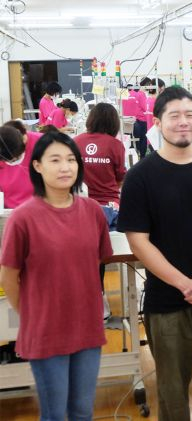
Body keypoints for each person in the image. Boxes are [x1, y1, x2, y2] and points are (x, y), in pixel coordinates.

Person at [117, 86, 192, 421]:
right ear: (158, 122)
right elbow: (138, 241)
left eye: (190, 115)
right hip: (166, 301)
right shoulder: (140, 177)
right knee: (172, 393)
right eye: (174, 116)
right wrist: (185, 284)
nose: (183, 122)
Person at [0, 131, 112, 420]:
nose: (65, 167)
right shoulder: (23, 218)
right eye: (55, 160)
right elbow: (9, 276)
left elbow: (95, 260)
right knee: (54, 415)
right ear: (37, 165)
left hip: (87, 326)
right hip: (46, 330)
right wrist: (31, 314)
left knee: (83, 412)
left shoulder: (92, 211)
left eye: (71, 160)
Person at [0, 123, 41, 208]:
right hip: (10, 209)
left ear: (24, 140)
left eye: (16, 158)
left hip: (41, 207)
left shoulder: (43, 144)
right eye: (9, 161)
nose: (13, 162)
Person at [128, 83, 149, 158]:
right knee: (143, 138)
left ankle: (136, 154)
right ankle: (142, 157)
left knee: (133, 139)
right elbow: (145, 107)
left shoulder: (127, 94)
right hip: (141, 119)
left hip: (129, 120)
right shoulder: (141, 94)